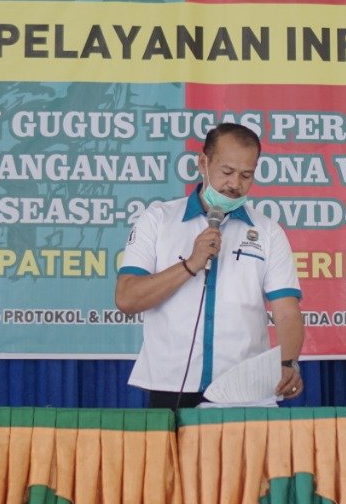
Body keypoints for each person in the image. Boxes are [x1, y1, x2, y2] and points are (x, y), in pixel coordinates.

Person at [116, 123, 305, 409]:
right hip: (171, 385)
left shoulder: (268, 232)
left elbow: (287, 311)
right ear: (203, 163)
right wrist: (190, 265)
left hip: (245, 389)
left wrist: (289, 362)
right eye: (227, 172)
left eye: (246, 175)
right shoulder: (158, 219)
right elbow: (127, 298)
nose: (235, 184)